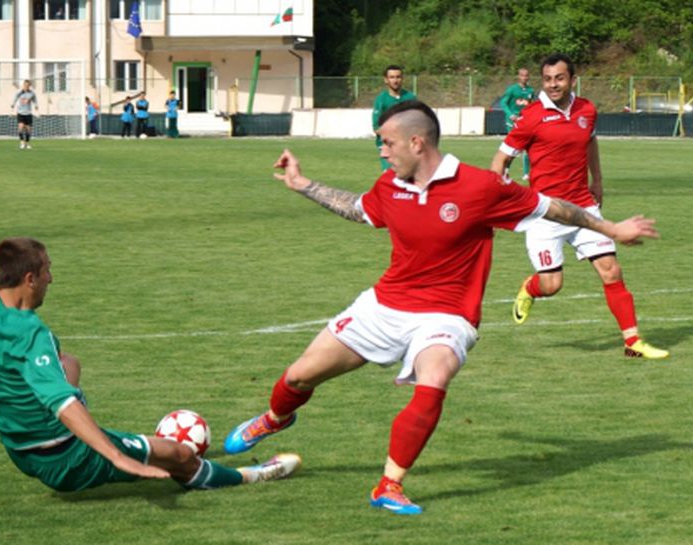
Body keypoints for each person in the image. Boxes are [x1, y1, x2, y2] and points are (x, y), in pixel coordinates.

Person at [222, 100, 660, 515]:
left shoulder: (481, 187)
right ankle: (275, 419)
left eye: (387, 142)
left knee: (434, 376)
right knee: (299, 374)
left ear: (417, 143)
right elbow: (358, 209)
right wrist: (303, 185)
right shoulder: (389, 185)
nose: (382, 150)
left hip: (447, 315)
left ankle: (389, 485)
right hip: (384, 305)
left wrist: (610, 228)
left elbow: (553, 208)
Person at [0, 185, 301, 493]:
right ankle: (254, 475)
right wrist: (116, 455)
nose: (51, 279)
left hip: (16, 445)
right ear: (28, 280)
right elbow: (63, 404)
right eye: (47, 271)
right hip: (63, 456)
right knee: (178, 456)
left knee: (69, 362)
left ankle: (108, 443)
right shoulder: (28, 335)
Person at [490, 53, 669, 359]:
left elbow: (590, 143)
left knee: (611, 270)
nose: (553, 84)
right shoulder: (532, 116)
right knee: (552, 284)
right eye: (547, 79)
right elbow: (501, 158)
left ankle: (632, 341)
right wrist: (497, 193)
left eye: (559, 78)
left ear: (572, 80)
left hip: (584, 208)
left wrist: (597, 180)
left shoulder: (587, 109)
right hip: (545, 214)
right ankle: (530, 288)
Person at [371, 65, 417, 171]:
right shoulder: (381, 100)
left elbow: (417, 120)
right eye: (392, 77)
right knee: (390, 176)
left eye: (398, 77)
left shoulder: (411, 98)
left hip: (406, 144)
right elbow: (376, 127)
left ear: (402, 79)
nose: (395, 80)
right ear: (386, 80)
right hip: (388, 145)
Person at [499, 67, 535, 180]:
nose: (525, 78)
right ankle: (505, 171)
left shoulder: (531, 91)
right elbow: (503, 103)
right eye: (522, 75)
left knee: (527, 147)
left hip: (525, 122)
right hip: (512, 123)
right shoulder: (512, 90)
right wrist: (510, 114)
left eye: (526, 75)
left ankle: (526, 174)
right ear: (518, 77)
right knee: (513, 148)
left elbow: (531, 106)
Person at [11, 80, 38, 149]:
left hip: (28, 113)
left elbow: (35, 100)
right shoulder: (19, 92)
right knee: (20, 127)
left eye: (28, 85)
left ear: (29, 86)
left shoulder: (32, 93)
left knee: (28, 129)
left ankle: (27, 143)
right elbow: (15, 98)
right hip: (20, 113)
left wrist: (36, 105)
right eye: (25, 85)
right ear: (23, 85)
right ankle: (22, 143)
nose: (26, 86)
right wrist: (13, 104)